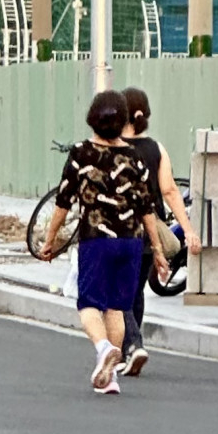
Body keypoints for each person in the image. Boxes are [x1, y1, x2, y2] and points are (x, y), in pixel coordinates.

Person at [37, 90, 171, 395]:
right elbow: (147, 208)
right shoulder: (136, 157)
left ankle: (103, 349)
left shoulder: (82, 153)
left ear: (92, 120)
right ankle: (110, 377)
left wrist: (49, 239)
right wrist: (159, 251)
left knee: (88, 304)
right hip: (131, 243)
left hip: (97, 242)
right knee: (116, 307)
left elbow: (63, 201)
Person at [118, 87, 203, 377]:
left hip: (121, 230)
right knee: (135, 292)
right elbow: (169, 190)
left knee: (118, 295)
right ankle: (129, 351)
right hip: (151, 232)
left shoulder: (113, 147)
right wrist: (188, 230)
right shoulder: (157, 148)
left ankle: (133, 346)